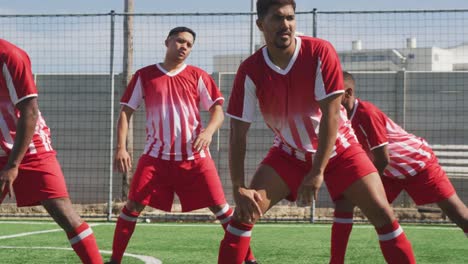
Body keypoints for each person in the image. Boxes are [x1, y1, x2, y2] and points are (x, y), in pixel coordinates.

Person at [218, 1, 417, 263]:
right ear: (260, 25)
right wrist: (238, 188)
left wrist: (317, 171)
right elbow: (237, 133)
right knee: (243, 215)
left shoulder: (319, 51)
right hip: (288, 154)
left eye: (290, 17)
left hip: (341, 150)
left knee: (383, 215)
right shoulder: (250, 69)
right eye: (277, 18)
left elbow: (331, 116)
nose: (285, 25)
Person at [108, 27, 256, 264]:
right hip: (155, 157)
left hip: (195, 158)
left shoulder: (198, 75)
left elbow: (218, 111)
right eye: (179, 41)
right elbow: (126, 112)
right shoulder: (144, 76)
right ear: (167, 42)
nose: (184, 47)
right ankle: (115, 260)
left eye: (189, 44)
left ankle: (250, 260)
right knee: (132, 206)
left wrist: (208, 132)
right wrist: (121, 148)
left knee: (221, 208)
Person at [329, 71, 468, 263]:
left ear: (348, 93)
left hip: (417, 164)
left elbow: (382, 158)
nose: (327, 98)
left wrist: (366, 186)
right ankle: (336, 261)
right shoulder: (337, 118)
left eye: (333, 93)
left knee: (458, 214)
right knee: (345, 201)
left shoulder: (366, 113)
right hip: (387, 172)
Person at [0, 39, 103, 263]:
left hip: (30, 148)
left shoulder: (10, 55)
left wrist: (12, 165)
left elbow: (30, 111)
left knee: (62, 211)